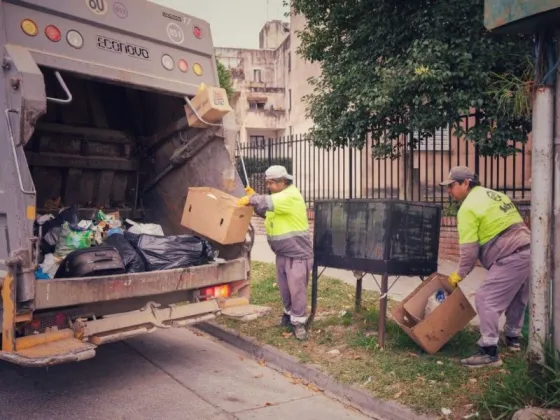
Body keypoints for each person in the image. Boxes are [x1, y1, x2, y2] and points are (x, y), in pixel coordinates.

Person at [440, 166, 531, 368]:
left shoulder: (467, 208)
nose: (449, 191)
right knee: (517, 297)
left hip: (510, 255)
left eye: (452, 186)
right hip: (529, 250)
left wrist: (459, 275)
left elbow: (469, 253)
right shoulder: (497, 195)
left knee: (486, 298)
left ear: (465, 183)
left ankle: (489, 351)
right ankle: (513, 339)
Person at [237, 165, 313, 340]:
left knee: (297, 290)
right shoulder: (278, 198)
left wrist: (251, 198)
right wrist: (254, 199)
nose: (269, 186)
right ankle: (288, 316)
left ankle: (299, 323)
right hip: (282, 253)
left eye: (271, 183)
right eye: (267, 183)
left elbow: (265, 202)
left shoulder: (290, 196)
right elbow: (265, 210)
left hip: (297, 254)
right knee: (285, 289)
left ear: (283, 181)